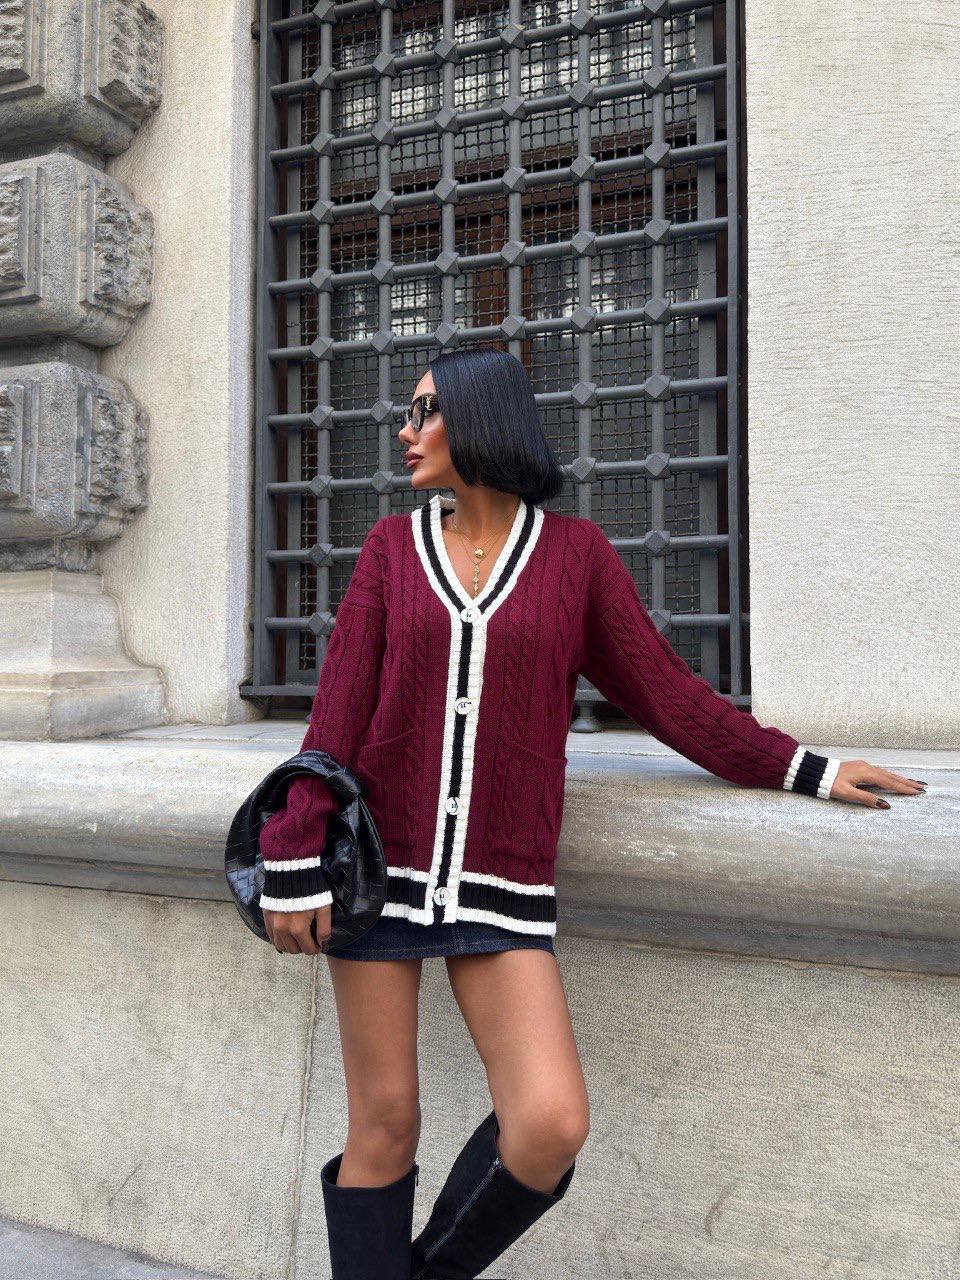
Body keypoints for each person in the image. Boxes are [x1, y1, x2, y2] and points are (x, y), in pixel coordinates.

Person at [257, 345, 926, 1280]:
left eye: (423, 413)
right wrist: (294, 850)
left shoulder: (574, 558)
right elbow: (333, 722)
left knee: (549, 1121)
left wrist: (805, 768)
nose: (404, 435)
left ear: (480, 420)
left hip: (501, 878)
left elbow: (668, 696)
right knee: (385, 1121)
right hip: (379, 872)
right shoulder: (388, 550)